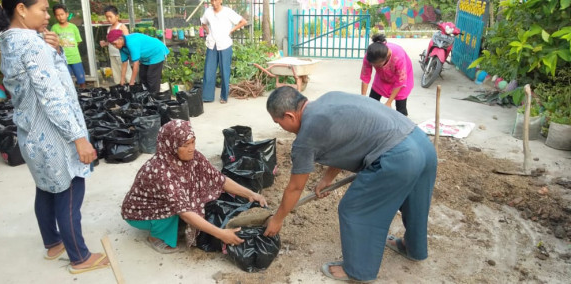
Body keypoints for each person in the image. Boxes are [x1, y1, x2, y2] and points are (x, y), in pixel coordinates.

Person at [263, 86, 437, 282]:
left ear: (290, 116)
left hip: (398, 158)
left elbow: (295, 187)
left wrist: (277, 219)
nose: (281, 127)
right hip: (421, 143)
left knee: (355, 208)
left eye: (279, 123)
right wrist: (327, 179)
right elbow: (344, 142)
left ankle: (358, 270)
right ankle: (413, 247)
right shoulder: (329, 97)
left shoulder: (306, 137)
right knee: (416, 201)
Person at [0, 0, 109, 274]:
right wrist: (78, 137)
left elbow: (44, 79)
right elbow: (52, 96)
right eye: (42, 10)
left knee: (45, 188)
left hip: (32, 133)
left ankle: (53, 243)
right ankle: (79, 257)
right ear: (21, 9)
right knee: (69, 191)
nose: (47, 16)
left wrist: (54, 51)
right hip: (55, 134)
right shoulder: (33, 45)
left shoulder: (10, 42)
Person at [121, 120, 268, 253]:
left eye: (193, 142)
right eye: (185, 145)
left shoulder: (194, 156)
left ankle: (171, 224)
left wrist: (250, 194)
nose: (191, 148)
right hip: (140, 212)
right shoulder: (161, 171)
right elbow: (184, 211)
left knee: (200, 190)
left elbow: (218, 179)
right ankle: (155, 238)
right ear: (171, 145)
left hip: (168, 200)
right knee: (174, 210)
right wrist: (221, 234)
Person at [200, 0, 247, 104]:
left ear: (220, 1)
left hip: (225, 44)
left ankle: (224, 97)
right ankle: (207, 96)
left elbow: (243, 21)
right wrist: (209, 33)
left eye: (216, 0)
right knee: (209, 70)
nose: (213, 2)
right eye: (212, 0)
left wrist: (231, 30)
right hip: (212, 45)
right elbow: (203, 23)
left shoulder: (228, 12)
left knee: (224, 71)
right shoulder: (208, 12)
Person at [360, 34, 414, 116]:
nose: (374, 67)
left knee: (400, 108)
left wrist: (389, 102)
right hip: (382, 76)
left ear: (385, 59)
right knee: (372, 102)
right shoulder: (370, 55)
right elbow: (365, 76)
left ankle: (404, 126)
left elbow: (400, 81)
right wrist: (363, 98)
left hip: (401, 78)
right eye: (373, 65)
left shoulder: (398, 57)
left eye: (377, 65)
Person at [51, 3, 87, 88]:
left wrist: (70, 47)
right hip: (62, 59)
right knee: (66, 81)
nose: (60, 17)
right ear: (55, 16)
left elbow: (78, 41)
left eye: (62, 14)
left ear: (67, 14)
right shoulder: (54, 28)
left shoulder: (73, 27)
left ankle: (85, 95)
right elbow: (53, 43)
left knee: (81, 79)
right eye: (58, 15)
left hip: (75, 58)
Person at [99, 5, 132, 85]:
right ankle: (120, 89)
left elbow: (127, 40)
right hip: (112, 54)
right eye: (107, 17)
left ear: (117, 16)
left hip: (121, 54)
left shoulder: (121, 26)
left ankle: (131, 87)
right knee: (116, 74)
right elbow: (111, 42)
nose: (108, 19)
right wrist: (105, 43)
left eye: (110, 17)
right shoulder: (109, 28)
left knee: (126, 73)